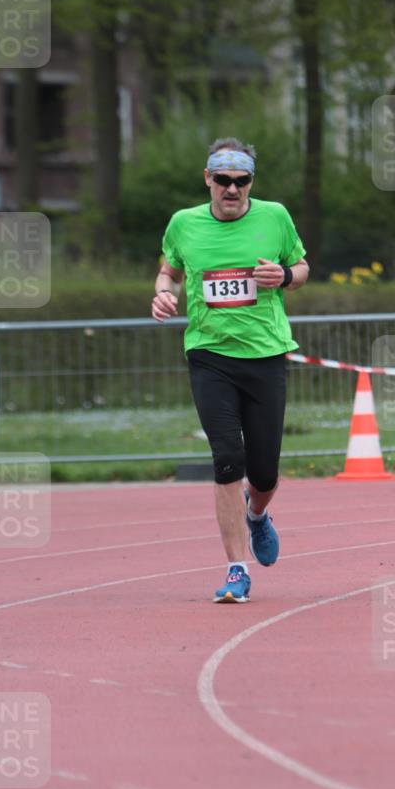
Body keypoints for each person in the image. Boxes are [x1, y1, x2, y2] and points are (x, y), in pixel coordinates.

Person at [152, 137, 309, 603]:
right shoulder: (184, 224)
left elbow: (301, 267)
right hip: (209, 356)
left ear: (251, 182)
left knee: (264, 473)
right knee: (226, 460)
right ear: (208, 179)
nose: (232, 189)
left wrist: (284, 276)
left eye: (242, 181)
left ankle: (256, 514)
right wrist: (163, 295)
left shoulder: (275, 216)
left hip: (265, 355)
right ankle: (236, 570)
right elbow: (169, 272)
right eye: (223, 180)